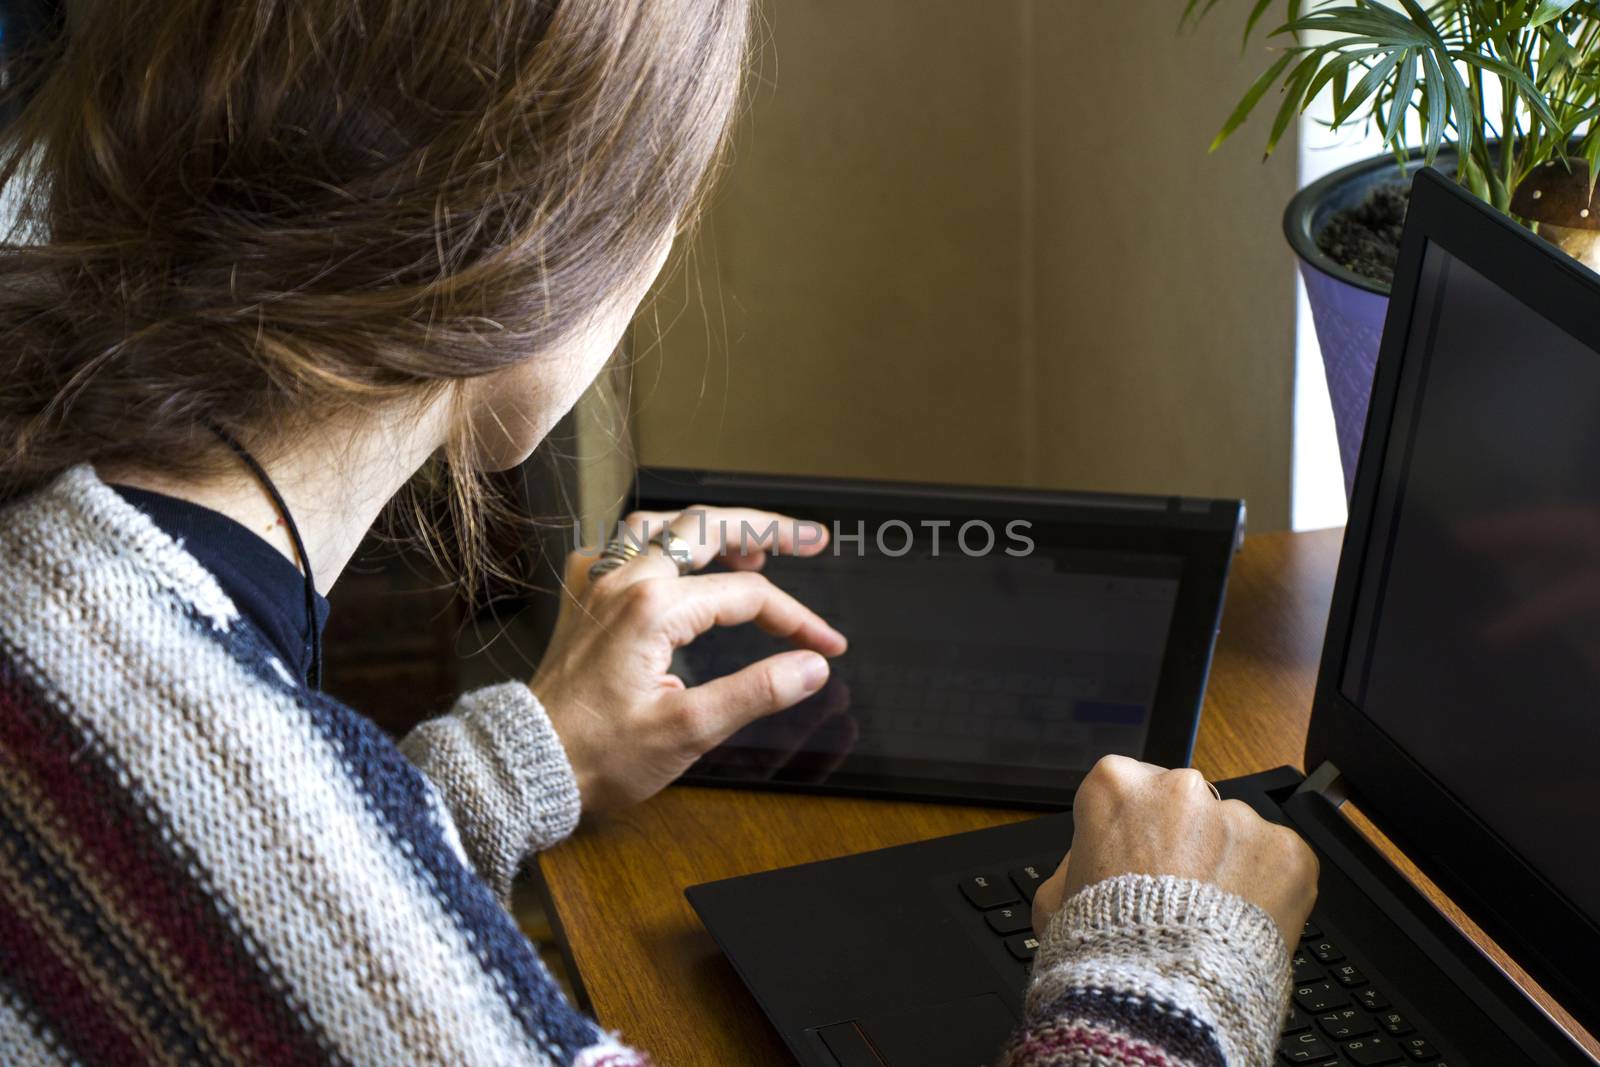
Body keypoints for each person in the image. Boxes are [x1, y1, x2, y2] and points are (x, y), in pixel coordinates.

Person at [0, 1, 1318, 1064]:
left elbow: (168, 913)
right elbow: (277, 915)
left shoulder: (62, 573)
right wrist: (1163, 960)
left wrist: (520, 761)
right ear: (549, 244)